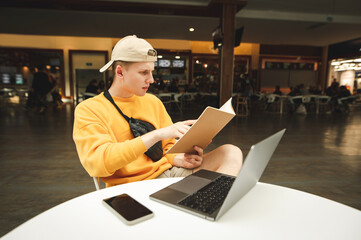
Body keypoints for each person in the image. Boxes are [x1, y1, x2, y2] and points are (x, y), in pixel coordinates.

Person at [73, 35, 243, 187]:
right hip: (132, 187)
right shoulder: (89, 109)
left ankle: (209, 203)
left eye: (151, 72)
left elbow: (168, 147)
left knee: (231, 152)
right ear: (119, 71)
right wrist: (156, 134)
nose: (151, 79)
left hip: (170, 175)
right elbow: (98, 164)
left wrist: (181, 159)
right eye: (143, 72)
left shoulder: (153, 101)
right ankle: (203, 203)